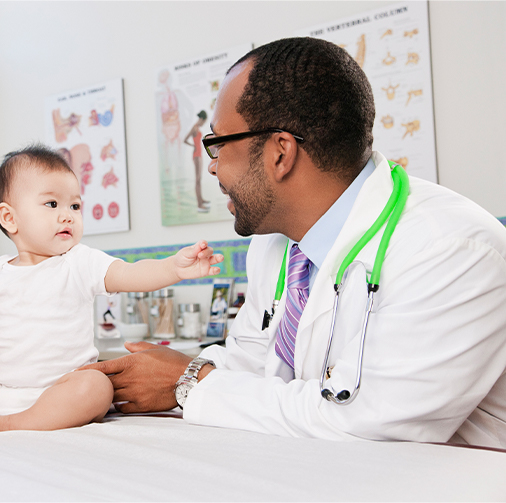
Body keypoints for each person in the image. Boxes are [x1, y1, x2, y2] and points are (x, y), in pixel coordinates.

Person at [84, 37, 506, 448]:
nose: (212, 169)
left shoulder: (453, 248)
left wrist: (190, 382)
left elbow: (370, 422)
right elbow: (251, 369)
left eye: (216, 144)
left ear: (280, 153)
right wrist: (163, 375)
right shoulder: (276, 247)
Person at [0, 145, 223, 440]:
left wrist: (173, 268)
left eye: (74, 206)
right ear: (10, 218)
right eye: (52, 204)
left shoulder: (79, 262)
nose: (68, 216)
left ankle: (5, 426)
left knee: (97, 387)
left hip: (58, 395)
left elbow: (130, 273)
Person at [183, 110, 210, 212]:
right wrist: (193, 146)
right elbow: (185, 139)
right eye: (204, 121)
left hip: (199, 154)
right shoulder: (194, 127)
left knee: (199, 178)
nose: (204, 124)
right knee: (197, 179)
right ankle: (199, 204)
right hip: (196, 155)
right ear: (202, 119)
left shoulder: (197, 128)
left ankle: (201, 199)